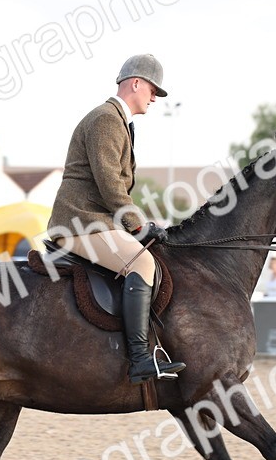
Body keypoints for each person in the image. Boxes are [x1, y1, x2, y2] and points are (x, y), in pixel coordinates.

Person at [46, 53, 185, 384]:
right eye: (153, 90)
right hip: (81, 222)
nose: (154, 98)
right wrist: (138, 225)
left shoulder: (118, 122)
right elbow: (111, 185)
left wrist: (143, 223)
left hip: (96, 220)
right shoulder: (106, 119)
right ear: (135, 83)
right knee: (143, 265)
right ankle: (139, 359)